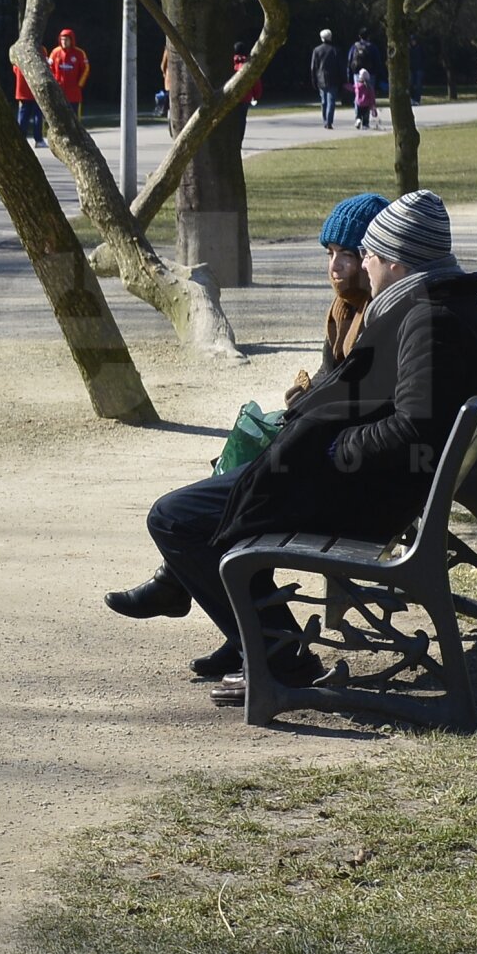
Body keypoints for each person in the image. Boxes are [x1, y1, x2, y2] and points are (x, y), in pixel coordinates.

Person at [116, 190, 477, 708]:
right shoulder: (442, 303)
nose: (363, 265)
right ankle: (254, 642)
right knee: (214, 495)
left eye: (368, 253)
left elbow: (412, 430)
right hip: (377, 489)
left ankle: (280, 660)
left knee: (175, 517)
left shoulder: (428, 319)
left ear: (394, 259)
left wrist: (328, 453)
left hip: (362, 499)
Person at [106, 193, 389, 680]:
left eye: (347, 254)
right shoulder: (344, 312)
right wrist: (304, 398)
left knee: (187, 516)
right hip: (325, 466)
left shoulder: (378, 321)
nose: (335, 267)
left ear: (372, 257)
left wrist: (304, 405)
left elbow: (346, 405)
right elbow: (330, 388)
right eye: (328, 254)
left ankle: (261, 643)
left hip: (336, 481)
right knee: (233, 470)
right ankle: (242, 635)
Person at [49, 28, 90, 116]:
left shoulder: (79, 53)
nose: (64, 42)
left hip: (74, 93)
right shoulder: (55, 52)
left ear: (71, 40)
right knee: (59, 116)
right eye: (62, 39)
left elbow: (85, 69)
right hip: (58, 91)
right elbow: (49, 67)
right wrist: (54, 83)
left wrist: (79, 84)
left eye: (66, 39)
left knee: (74, 117)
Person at [309, 28, 344, 129]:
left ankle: (325, 120)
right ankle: (329, 121)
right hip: (333, 78)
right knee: (331, 101)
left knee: (323, 101)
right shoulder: (335, 50)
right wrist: (343, 79)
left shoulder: (316, 50)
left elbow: (313, 67)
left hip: (320, 78)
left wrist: (313, 79)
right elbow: (340, 66)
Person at [14, 49, 47, 147]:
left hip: (22, 90)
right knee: (37, 116)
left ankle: (21, 140)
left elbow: (15, 69)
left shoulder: (18, 50)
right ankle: (39, 140)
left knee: (23, 117)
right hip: (36, 89)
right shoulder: (41, 50)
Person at [408, 32, 425, 109]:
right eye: (412, 41)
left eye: (414, 40)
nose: (413, 42)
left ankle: (417, 100)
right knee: (411, 84)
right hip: (411, 68)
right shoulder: (409, 49)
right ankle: (412, 99)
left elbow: (424, 57)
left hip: (419, 68)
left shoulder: (420, 48)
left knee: (418, 85)